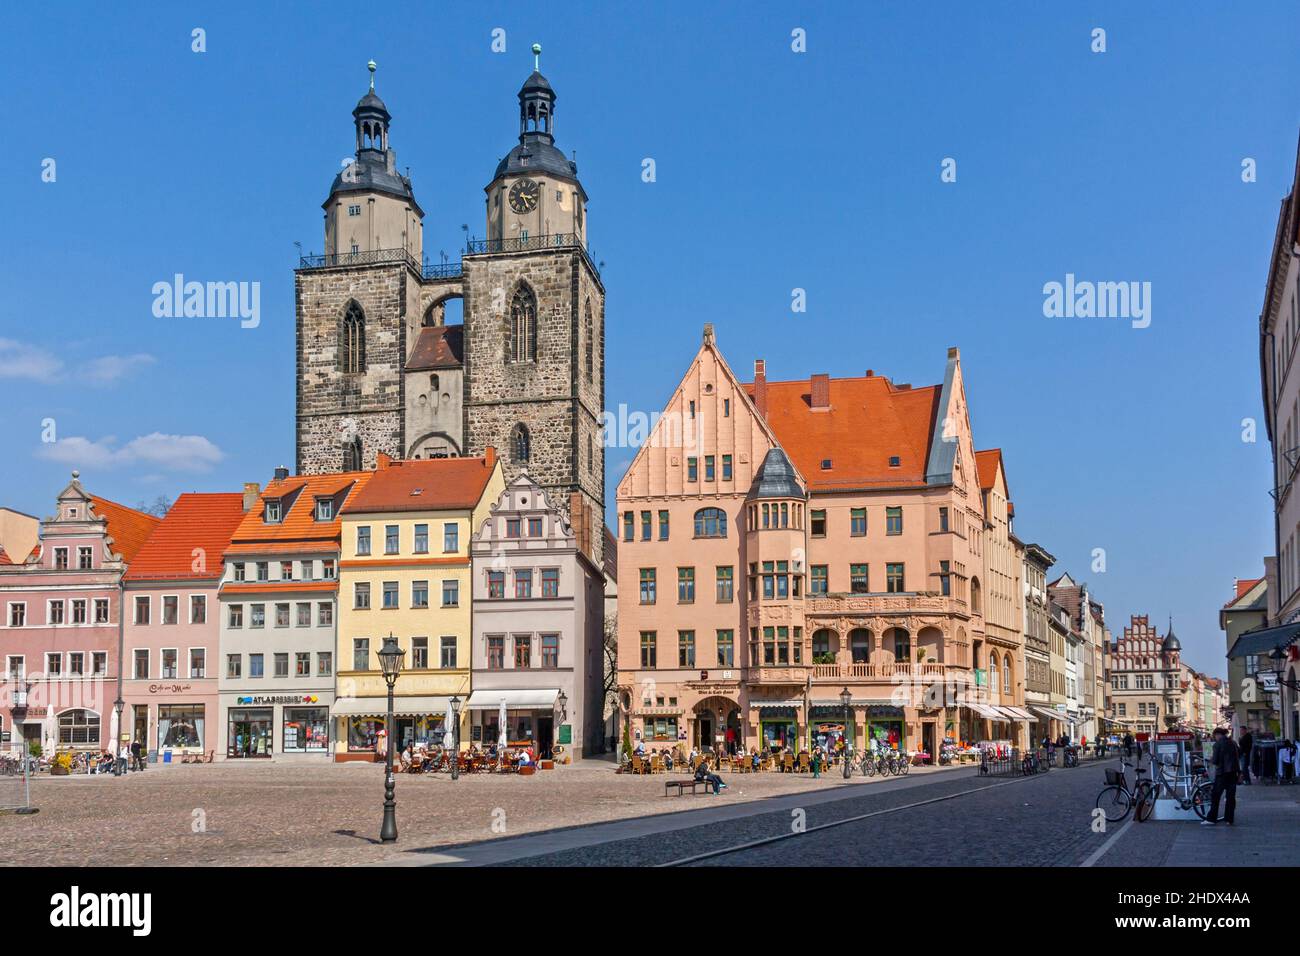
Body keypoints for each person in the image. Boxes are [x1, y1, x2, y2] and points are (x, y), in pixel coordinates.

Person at [1203, 727, 1240, 826]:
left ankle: (1211, 818)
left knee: (1215, 796)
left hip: (1222, 773)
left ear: (1217, 735)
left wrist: (1210, 759)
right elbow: (1237, 757)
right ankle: (1229, 819)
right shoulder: (1233, 743)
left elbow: (1215, 761)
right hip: (1233, 773)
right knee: (1230, 797)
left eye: (1215, 736)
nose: (1215, 738)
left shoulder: (1217, 744)